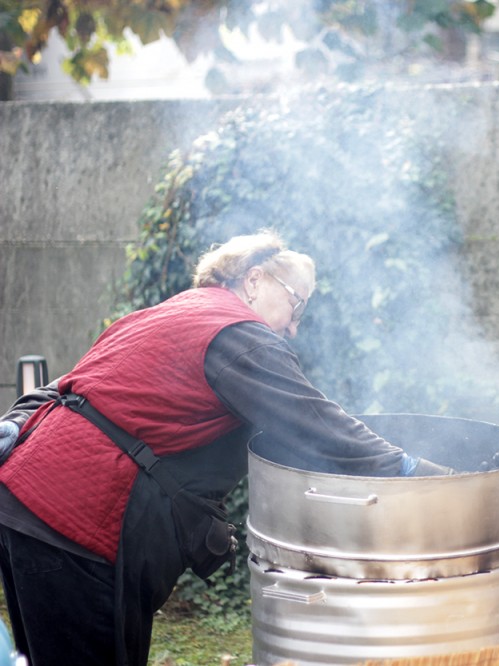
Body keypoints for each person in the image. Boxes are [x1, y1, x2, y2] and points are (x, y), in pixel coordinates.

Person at [0, 229, 454, 666]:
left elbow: (65, 385)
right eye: (297, 305)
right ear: (255, 279)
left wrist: (17, 424)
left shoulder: (172, 311)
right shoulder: (238, 333)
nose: (294, 328)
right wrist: (411, 468)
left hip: (22, 502)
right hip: (76, 519)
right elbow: (317, 424)